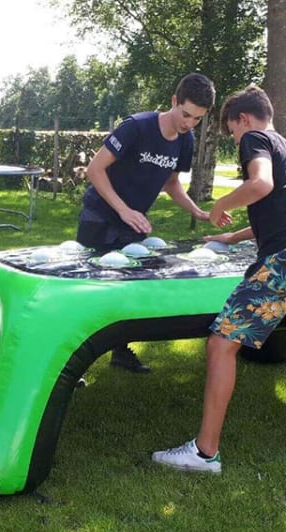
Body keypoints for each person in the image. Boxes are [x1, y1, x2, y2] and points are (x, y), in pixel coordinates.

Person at [152, 84, 286, 474]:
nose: (236, 141)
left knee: (222, 343)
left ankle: (205, 453)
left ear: (243, 119)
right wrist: (232, 237)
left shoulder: (255, 138)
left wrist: (221, 204)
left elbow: (261, 185)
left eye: (232, 132)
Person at [77, 72, 220, 374]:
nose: (189, 123)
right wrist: (124, 210)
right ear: (174, 101)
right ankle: (72, 366)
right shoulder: (136, 127)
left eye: (197, 118)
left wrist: (198, 212)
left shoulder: (186, 140)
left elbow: (171, 183)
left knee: (128, 288)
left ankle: (120, 352)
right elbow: (94, 170)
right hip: (99, 216)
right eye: (186, 114)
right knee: (87, 290)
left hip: (131, 221)